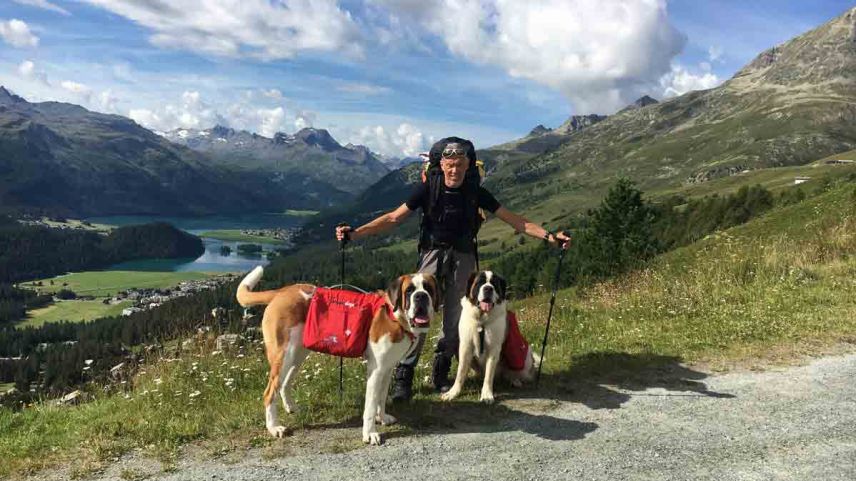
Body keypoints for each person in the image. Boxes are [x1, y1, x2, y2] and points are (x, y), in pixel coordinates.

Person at [336, 137, 570, 402]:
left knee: (456, 319)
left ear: (468, 165)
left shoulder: (476, 192)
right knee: (415, 310)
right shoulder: (428, 188)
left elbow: (516, 222)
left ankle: (441, 371)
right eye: (450, 164)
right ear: (441, 165)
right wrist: (355, 234)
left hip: (463, 256)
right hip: (433, 252)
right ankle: (404, 376)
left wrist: (550, 237)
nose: (454, 170)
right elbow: (393, 218)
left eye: (460, 164)